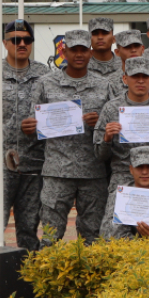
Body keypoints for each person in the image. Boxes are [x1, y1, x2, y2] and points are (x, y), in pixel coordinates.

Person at [24, 29, 112, 245]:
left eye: (84, 50)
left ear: (90, 53)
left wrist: (99, 123)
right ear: (64, 52)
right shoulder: (45, 84)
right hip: (57, 171)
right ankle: (47, 275)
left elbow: (113, 124)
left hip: (93, 172)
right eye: (74, 50)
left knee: (93, 235)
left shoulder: (104, 85)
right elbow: (31, 123)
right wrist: (29, 127)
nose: (79, 54)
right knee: (51, 235)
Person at [0, 19, 50, 251]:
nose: (21, 44)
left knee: (29, 227)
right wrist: (0, 136)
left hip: (34, 164)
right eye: (15, 40)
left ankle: (27, 278)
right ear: (6, 43)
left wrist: (39, 127)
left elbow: (55, 112)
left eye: (26, 40)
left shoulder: (44, 75)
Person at [94, 57, 149, 189]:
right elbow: (99, 155)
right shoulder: (111, 108)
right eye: (135, 76)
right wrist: (107, 138)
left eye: (145, 76)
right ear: (125, 79)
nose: (140, 80)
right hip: (123, 176)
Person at [106, 30, 147, 100]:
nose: (133, 50)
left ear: (142, 49)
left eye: (136, 46)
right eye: (128, 47)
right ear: (117, 52)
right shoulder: (110, 82)